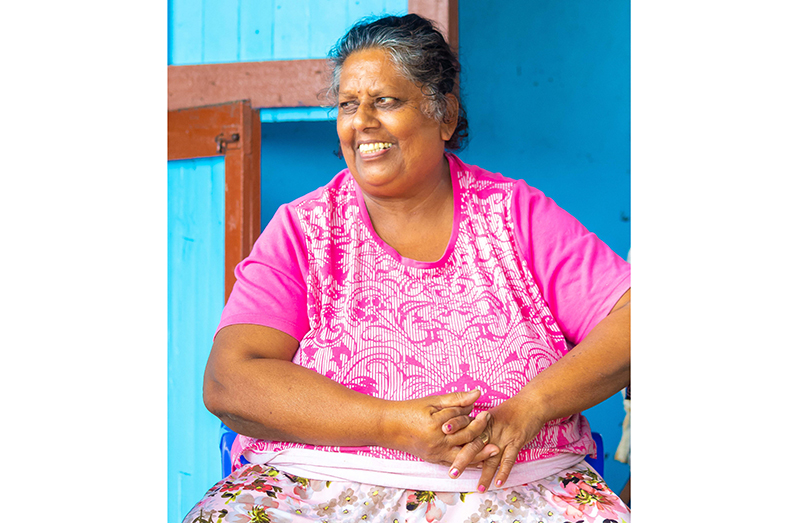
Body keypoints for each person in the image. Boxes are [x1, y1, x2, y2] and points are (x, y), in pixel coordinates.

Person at [184, 13, 631, 523]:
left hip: (519, 490)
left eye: (386, 101)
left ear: (445, 115)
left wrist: (530, 407)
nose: (362, 121)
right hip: (316, 491)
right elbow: (230, 380)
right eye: (348, 104)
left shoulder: (513, 215)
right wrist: (390, 424)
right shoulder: (304, 229)